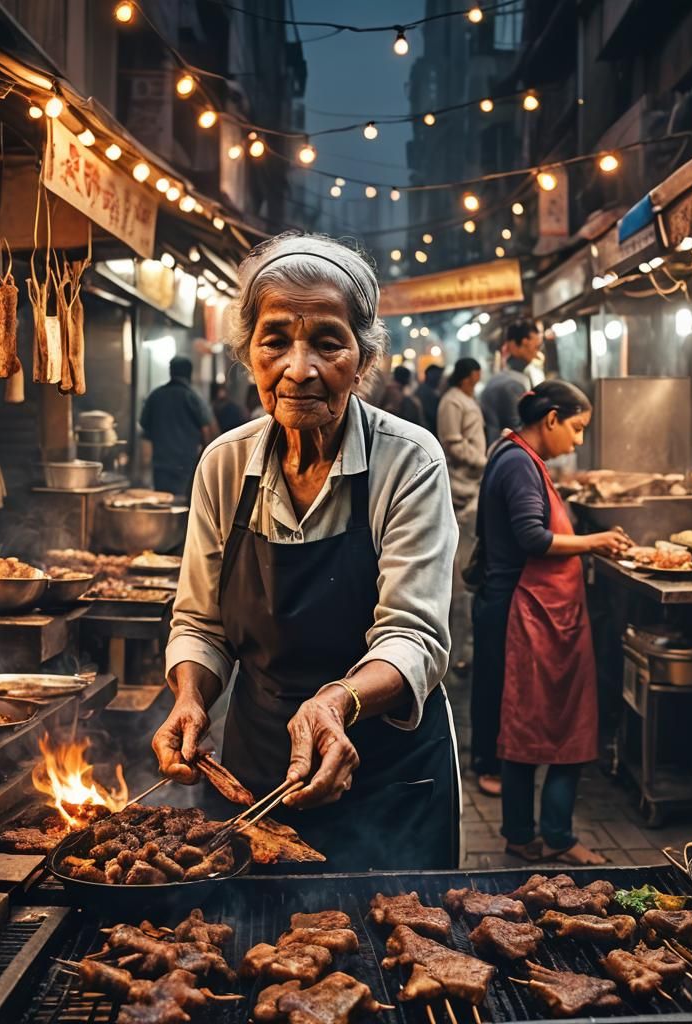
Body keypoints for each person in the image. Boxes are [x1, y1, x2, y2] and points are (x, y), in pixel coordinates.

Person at [153, 231, 460, 872]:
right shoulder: (223, 464)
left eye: (327, 342)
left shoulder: (409, 460)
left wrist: (334, 704)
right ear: (249, 354)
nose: (299, 369)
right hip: (257, 761)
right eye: (275, 342)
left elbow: (413, 636)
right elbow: (200, 622)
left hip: (387, 773)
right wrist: (190, 698)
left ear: (363, 357)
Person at [472, 380, 629, 861]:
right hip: (530, 615)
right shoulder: (520, 463)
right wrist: (595, 541)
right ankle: (557, 838)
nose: (578, 441)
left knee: (521, 730)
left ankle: (522, 835)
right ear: (552, 419)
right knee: (565, 725)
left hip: (525, 611)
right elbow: (533, 538)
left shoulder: (513, 452)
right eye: (578, 429)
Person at [436, 358, 485, 675]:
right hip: (460, 490)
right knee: (459, 577)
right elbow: (453, 445)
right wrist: (483, 462)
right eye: (475, 379)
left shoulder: (466, 400)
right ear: (467, 377)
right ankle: (455, 654)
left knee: (466, 574)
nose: (476, 384)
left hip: (472, 488)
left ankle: (464, 649)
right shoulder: (451, 403)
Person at [139, 356, 214, 500]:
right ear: (189, 373)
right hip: (186, 466)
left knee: (163, 504)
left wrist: (144, 467)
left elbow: (145, 434)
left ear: (171, 372)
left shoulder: (155, 396)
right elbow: (207, 432)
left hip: (160, 467)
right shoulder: (193, 397)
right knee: (182, 507)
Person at [480, 319, 545, 445]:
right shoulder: (514, 383)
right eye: (534, 346)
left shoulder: (510, 377)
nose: (537, 353)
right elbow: (516, 431)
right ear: (513, 345)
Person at [415, 363, 444, 434]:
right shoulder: (424, 391)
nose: (440, 378)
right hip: (427, 430)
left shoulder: (428, 389)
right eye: (438, 376)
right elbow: (430, 414)